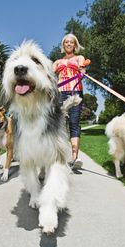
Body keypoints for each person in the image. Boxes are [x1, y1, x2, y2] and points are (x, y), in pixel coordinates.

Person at [53, 33, 86, 170]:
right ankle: (57, 156)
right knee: (59, 124)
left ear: (75, 45)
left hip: (75, 91)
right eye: (66, 42)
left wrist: (81, 70)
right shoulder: (57, 62)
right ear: (63, 45)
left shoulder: (79, 58)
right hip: (60, 93)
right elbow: (49, 74)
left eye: (71, 42)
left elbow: (83, 71)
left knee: (74, 123)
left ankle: (75, 158)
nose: (68, 44)